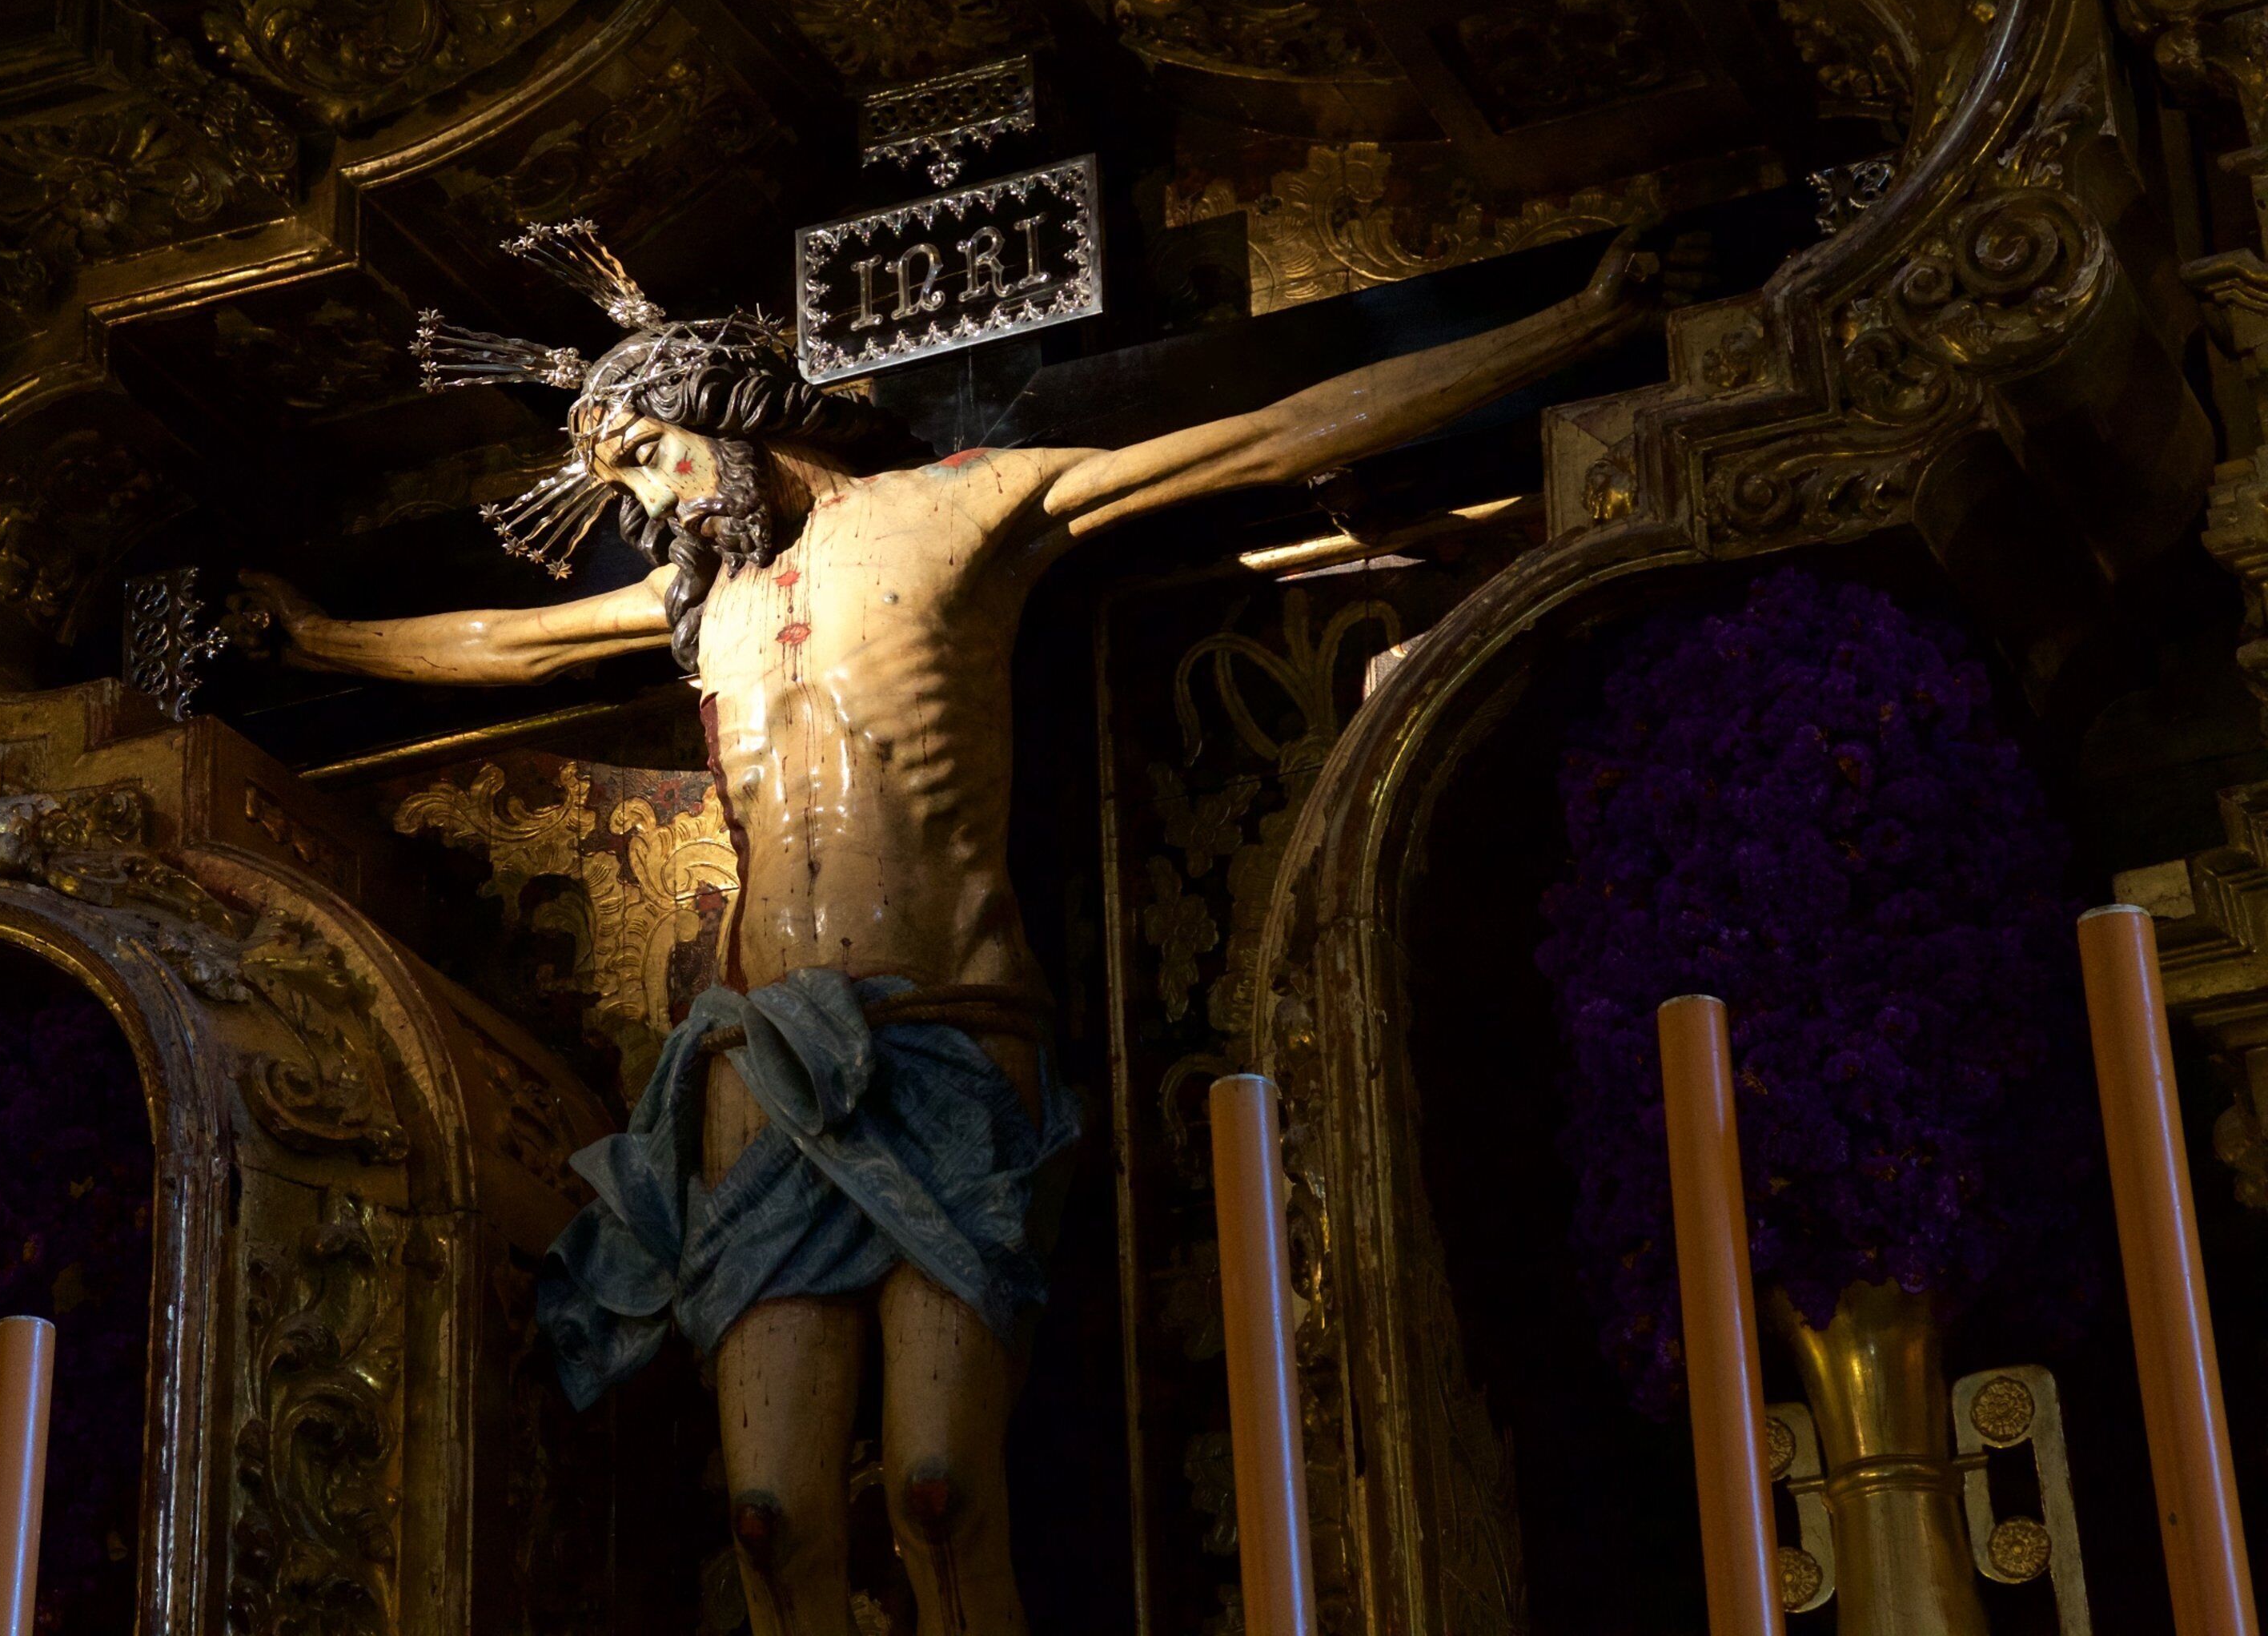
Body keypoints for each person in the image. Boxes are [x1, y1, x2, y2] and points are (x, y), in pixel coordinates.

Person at [235, 219, 1682, 1636]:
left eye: (653, 459)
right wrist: (314, 642)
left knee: (938, 1488)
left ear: (723, 410)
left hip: (950, 1033)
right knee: (771, 1522)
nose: (656, 505)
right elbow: (502, 642)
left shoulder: (956, 509)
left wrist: (1578, 324)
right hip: (759, 1062)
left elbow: (1261, 437)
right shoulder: (709, 611)